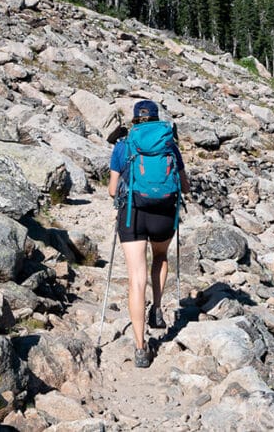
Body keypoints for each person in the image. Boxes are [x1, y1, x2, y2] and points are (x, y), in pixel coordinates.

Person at [108, 99, 190, 368]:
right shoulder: (170, 147)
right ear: (156, 120)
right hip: (163, 214)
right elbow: (185, 186)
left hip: (133, 214)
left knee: (136, 278)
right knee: (160, 256)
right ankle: (156, 308)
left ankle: (141, 347)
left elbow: (111, 190)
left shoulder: (123, 145)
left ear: (135, 120)